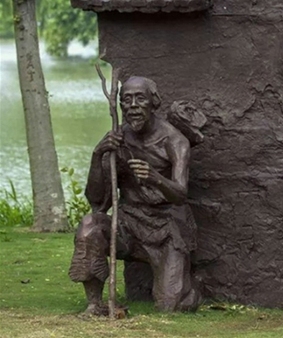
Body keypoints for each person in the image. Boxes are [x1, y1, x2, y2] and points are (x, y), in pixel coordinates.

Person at [69, 76, 200, 314]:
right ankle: (95, 304)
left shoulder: (174, 141)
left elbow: (181, 194)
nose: (133, 106)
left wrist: (155, 177)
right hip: (127, 225)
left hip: (167, 226)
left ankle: (190, 289)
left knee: (172, 306)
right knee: (90, 226)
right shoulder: (118, 140)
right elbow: (97, 203)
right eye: (126, 100)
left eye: (140, 98)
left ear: (154, 102)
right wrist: (98, 155)